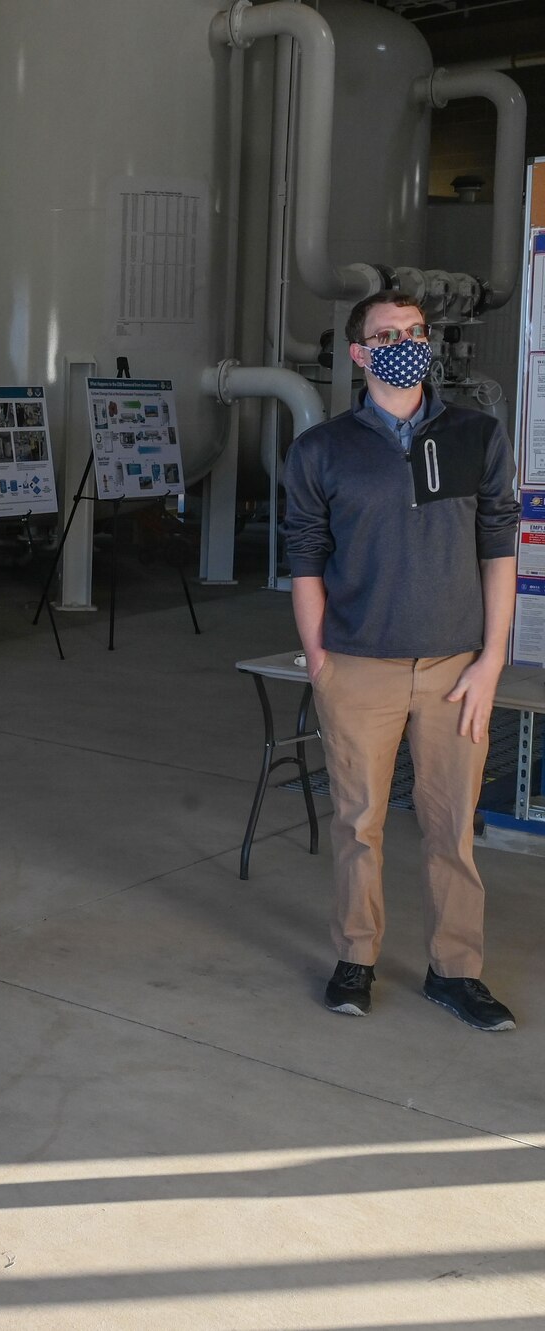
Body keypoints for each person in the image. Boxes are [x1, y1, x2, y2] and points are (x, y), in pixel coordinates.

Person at [283, 290, 520, 1030]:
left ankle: (456, 970)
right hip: (360, 668)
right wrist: (324, 662)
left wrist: (491, 663)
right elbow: (305, 557)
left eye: (416, 332)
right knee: (360, 823)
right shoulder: (322, 449)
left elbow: (498, 550)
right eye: (387, 334)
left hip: (455, 671)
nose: (405, 342)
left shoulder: (475, 435)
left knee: (452, 826)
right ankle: (355, 956)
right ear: (359, 353)